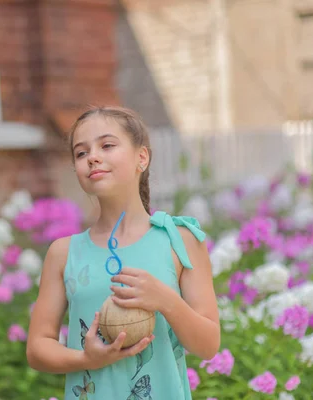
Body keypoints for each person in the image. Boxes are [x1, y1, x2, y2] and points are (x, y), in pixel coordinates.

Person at [26, 106, 220, 400]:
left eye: (107, 145)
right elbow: (38, 348)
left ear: (141, 157)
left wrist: (166, 300)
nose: (92, 157)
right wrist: (86, 360)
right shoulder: (64, 253)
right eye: (81, 153)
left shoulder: (179, 240)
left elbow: (207, 345)